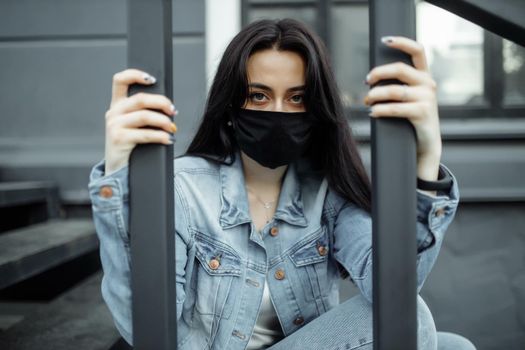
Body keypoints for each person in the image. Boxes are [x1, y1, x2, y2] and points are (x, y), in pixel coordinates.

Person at [88, 19, 476, 350]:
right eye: (258, 96)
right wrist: (118, 172)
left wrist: (425, 160)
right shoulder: (183, 189)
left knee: (455, 346)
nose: (278, 111)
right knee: (415, 319)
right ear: (228, 107)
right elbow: (146, 328)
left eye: (297, 98)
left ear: (318, 110)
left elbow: (394, 282)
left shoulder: (328, 191)